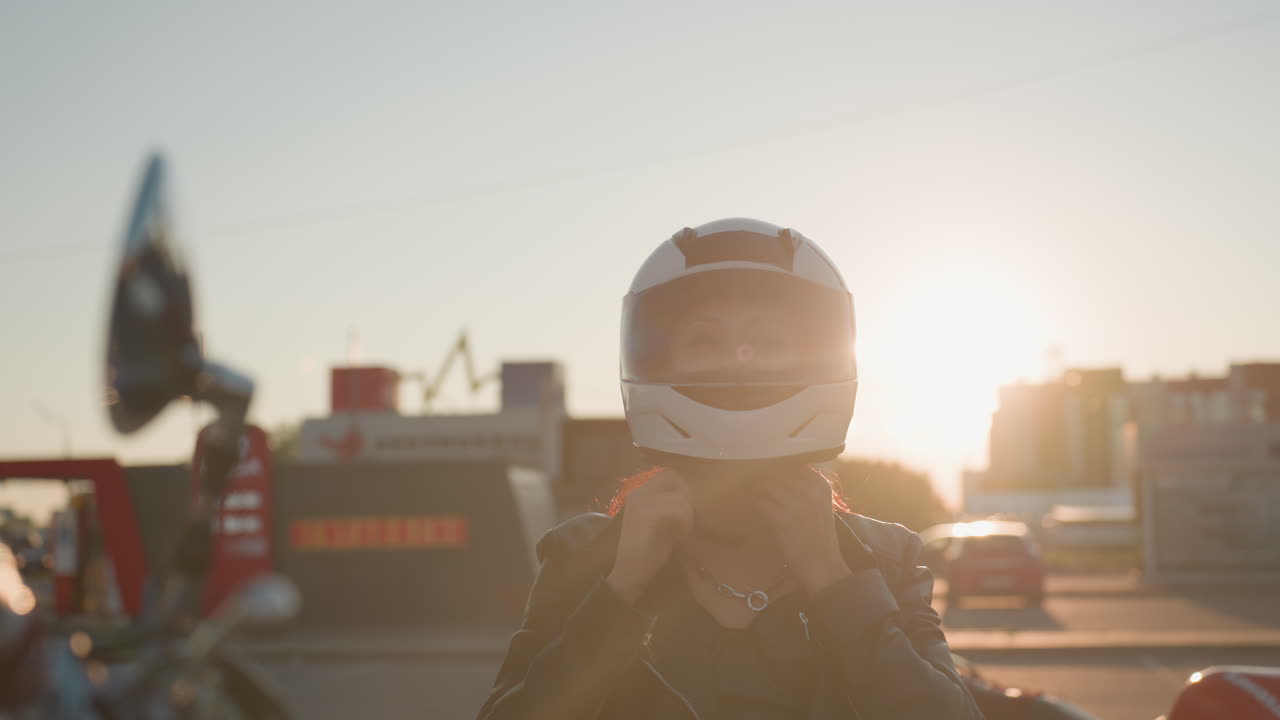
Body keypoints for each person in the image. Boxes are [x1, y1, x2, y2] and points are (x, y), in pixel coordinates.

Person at [478, 218, 981, 719]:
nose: (738, 362)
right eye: (703, 341)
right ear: (659, 359)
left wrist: (833, 580)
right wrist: (619, 589)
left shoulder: (887, 559)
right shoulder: (582, 556)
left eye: (765, 339)